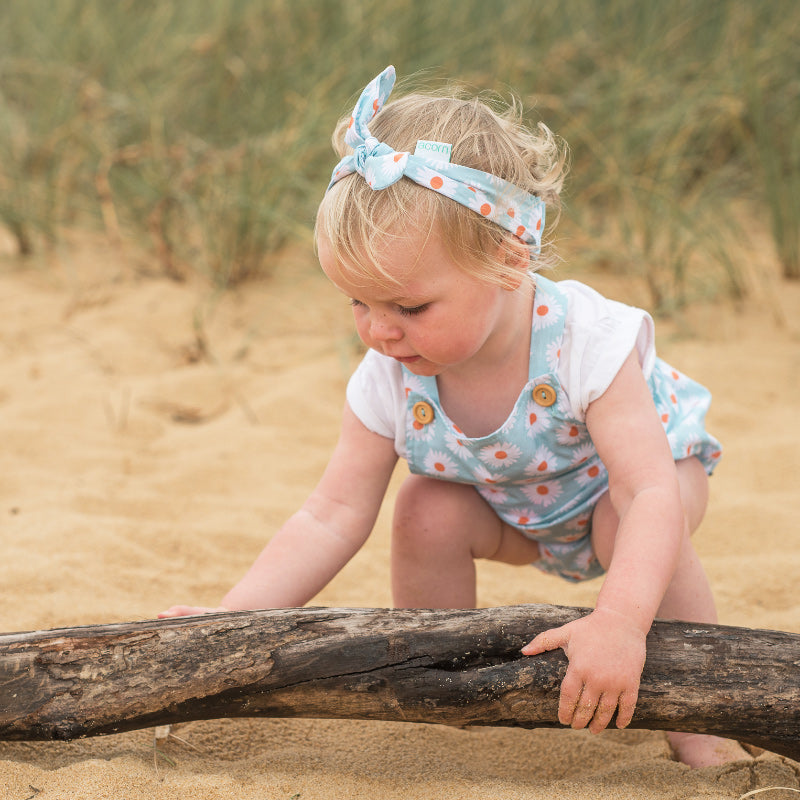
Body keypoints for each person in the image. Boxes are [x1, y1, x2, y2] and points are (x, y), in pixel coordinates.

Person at [161, 66, 749, 768]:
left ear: (509, 261)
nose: (380, 331)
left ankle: (700, 734)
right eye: (357, 303)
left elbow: (649, 489)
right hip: (514, 511)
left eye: (409, 307)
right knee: (425, 508)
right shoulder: (388, 374)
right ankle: (449, 682)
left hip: (630, 494)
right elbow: (331, 513)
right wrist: (231, 624)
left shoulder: (584, 341)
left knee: (631, 522)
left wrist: (620, 623)